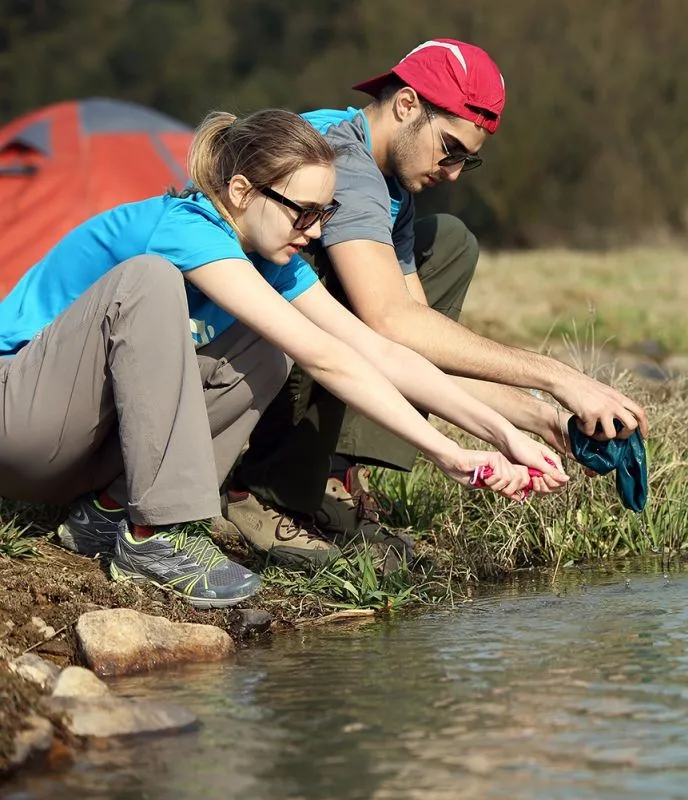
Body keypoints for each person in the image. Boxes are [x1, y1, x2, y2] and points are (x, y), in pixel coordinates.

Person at [0, 107, 569, 609]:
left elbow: (372, 351)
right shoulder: (184, 227)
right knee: (149, 283)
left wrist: (498, 437)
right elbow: (324, 359)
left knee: (265, 352)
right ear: (244, 192)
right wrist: (445, 452)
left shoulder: (275, 259)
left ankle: (107, 514)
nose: (316, 231)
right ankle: (158, 537)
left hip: (85, 451)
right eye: (304, 213)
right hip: (22, 423)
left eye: (326, 212)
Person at [226, 39, 650, 561]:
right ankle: (266, 494)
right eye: (449, 149)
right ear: (406, 105)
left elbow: (418, 346)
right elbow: (389, 323)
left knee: (447, 243)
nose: (451, 172)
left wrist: (546, 420)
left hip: (291, 347)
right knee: (344, 287)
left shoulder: (390, 180)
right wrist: (560, 378)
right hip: (216, 363)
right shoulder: (344, 164)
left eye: (466, 162)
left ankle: (328, 474)